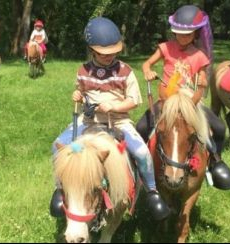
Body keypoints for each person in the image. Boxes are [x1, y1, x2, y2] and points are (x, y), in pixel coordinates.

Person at [49, 17, 170, 221]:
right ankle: (61, 188)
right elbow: (81, 90)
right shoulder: (83, 70)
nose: (110, 56)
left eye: (114, 51)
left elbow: (133, 101)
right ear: (92, 50)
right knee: (56, 147)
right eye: (104, 53)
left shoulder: (125, 71)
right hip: (88, 121)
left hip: (119, 121)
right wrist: (77, 95)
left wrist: (114, 106)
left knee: (141, 152)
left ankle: (152, 191)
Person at [136, 5, 230, 190]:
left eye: (188, 34)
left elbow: (202, 77)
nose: (183, 37)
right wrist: (148, 70)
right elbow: (147, 63)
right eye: (179, 34)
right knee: (141, 126)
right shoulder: (165, 47)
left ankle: (215, 162)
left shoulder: (200, 56)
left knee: (219, 127)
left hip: (190, 101)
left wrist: (203, 81)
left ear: (195, 34)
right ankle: (138, 164)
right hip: (167, 101)